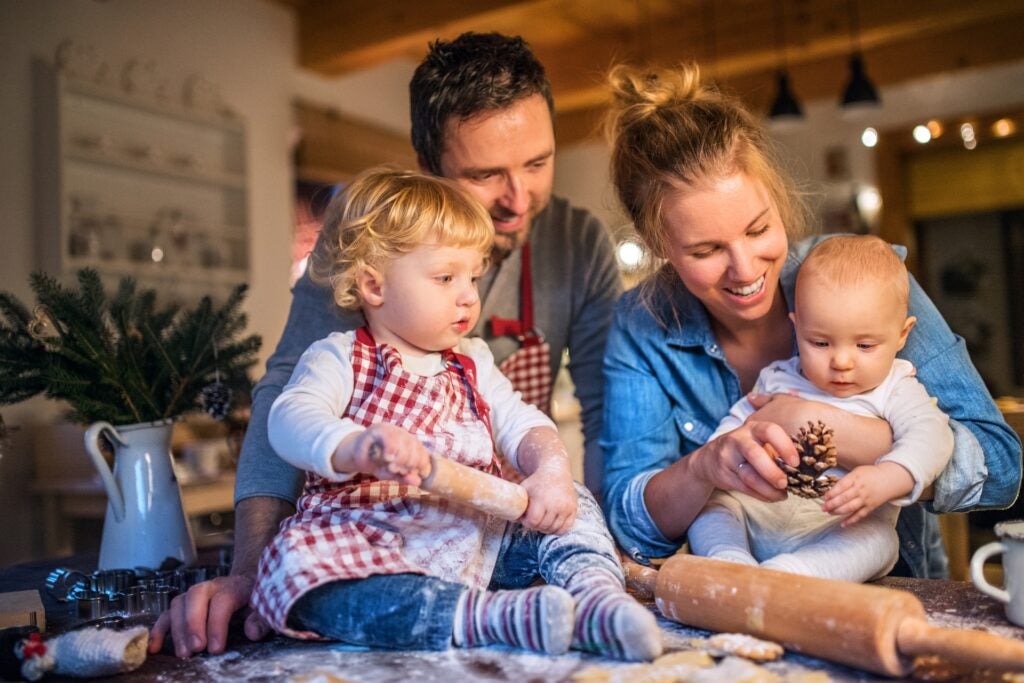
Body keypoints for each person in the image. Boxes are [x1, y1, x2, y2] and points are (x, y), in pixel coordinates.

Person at [149, 33, 622, 658]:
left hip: (494, 517)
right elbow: (287, 390)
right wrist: (254, 570)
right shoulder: (370, 229)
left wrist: (575, 509)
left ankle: (598, 598)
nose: (517, 200)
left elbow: (604, 410)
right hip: (386, 531)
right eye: (484, 174)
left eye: (537, 163)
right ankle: (483, 617)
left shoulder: (577, 240)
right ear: (429, 168)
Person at [599, 62, 1022, 577]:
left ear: (777, 201)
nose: (745, 268)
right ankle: (741, 573)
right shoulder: (640, 325)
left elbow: (1000, 465)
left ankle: (788, 580)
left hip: (886, 584)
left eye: (758, 230)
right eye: (707, 249)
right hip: (742, 582)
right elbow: (629, 523)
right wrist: (705, 466)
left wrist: (813, 427)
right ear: (658, 246)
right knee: (717, 517)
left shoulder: (861, 277)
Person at [249, 167, 659, 659]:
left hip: (478, 536)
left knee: (569, 500)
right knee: (292, 571)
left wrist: (548, 469)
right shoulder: (339, 357)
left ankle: (597, 596)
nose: (468, 296)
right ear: (374, 287)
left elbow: (524, 423)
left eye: (473, 276)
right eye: (446, 277)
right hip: (374, 546)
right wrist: (352, 445)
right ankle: (491, 618)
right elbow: (289, 416)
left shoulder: (474, 360)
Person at [687, 235, 954, 582]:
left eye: (864, 344)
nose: (841, 361)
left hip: (836, 525)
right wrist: (726, 455)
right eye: (820, 342)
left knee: (881, 541)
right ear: (797, 328)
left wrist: (889, 476)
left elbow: (934, 436)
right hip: (756, 513)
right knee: (710, 508)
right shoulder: (777, 378)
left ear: (902, 335)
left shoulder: (896, 388)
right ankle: (730, 560)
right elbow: (733, 431)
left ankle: (793, 576)